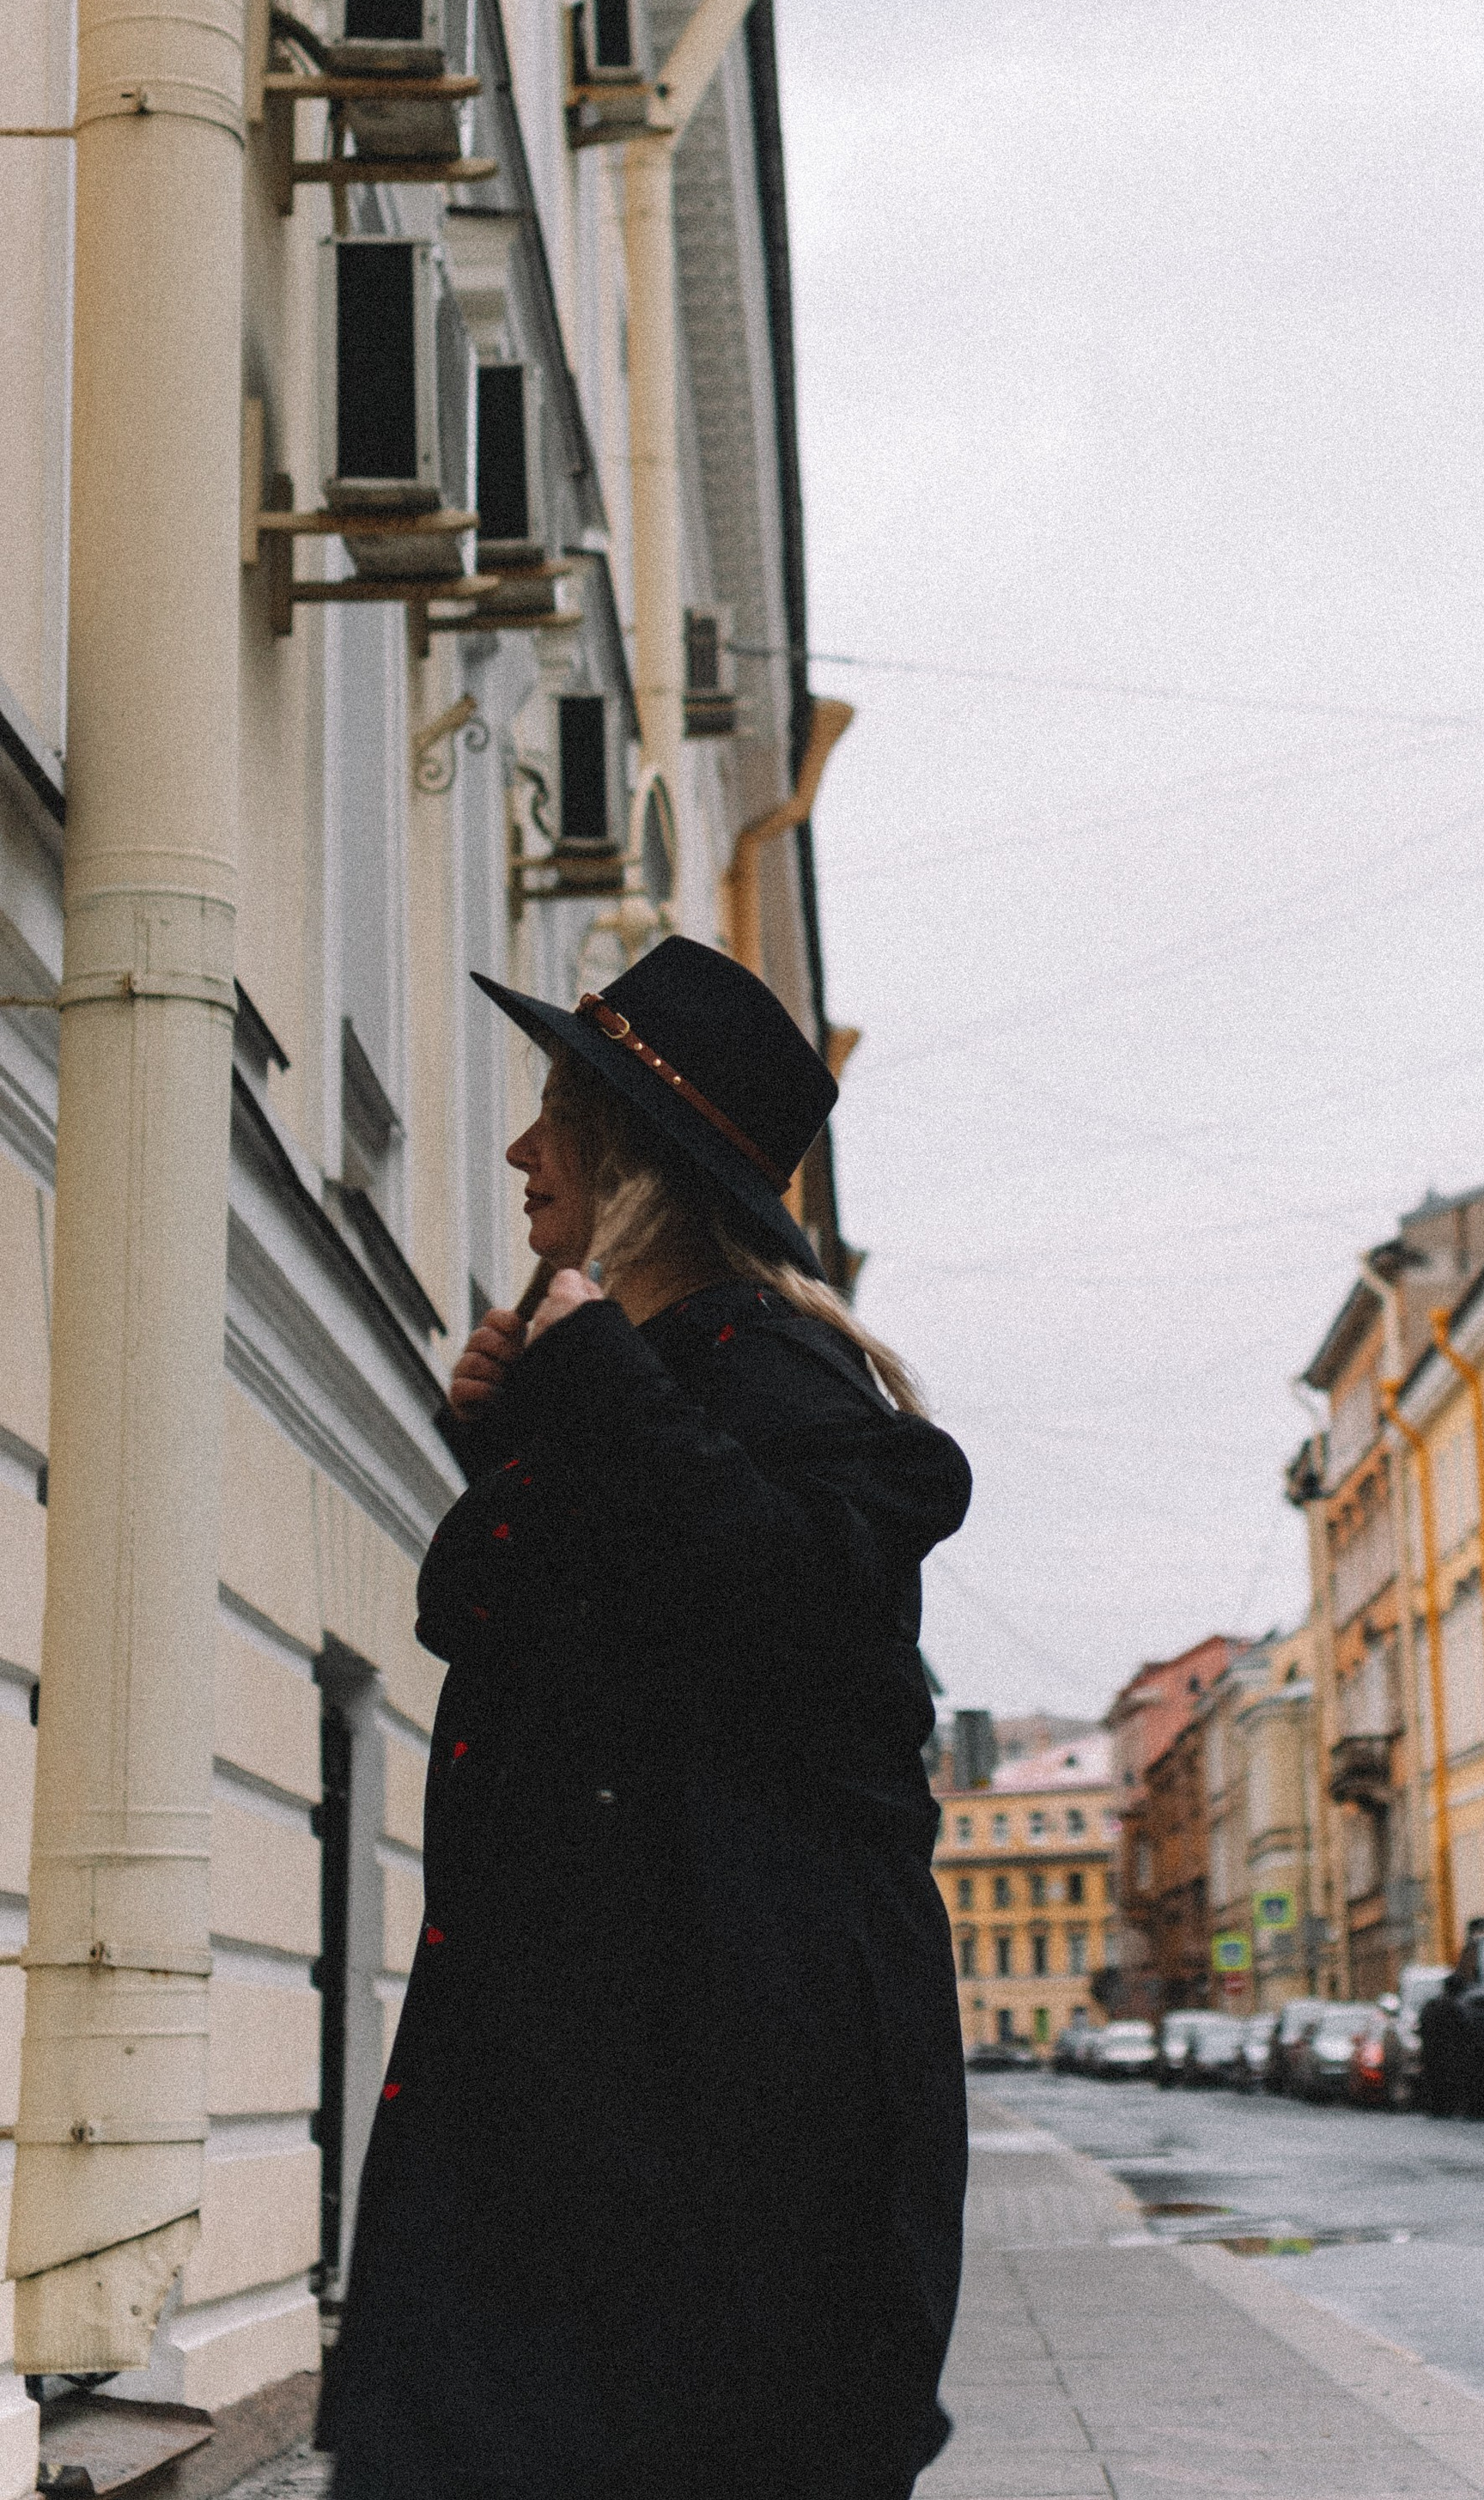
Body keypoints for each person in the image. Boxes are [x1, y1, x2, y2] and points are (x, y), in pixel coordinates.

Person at [319, 938, 974, 2500]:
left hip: (695, 2164)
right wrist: (511, 1435)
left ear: (635, 1166)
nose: (521, 1148)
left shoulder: (773, 1376)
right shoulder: (667, 1380)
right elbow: (584, 1642)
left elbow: (794, 1618)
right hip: (593, 2129)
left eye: (557, 1112)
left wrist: (592, 1393)